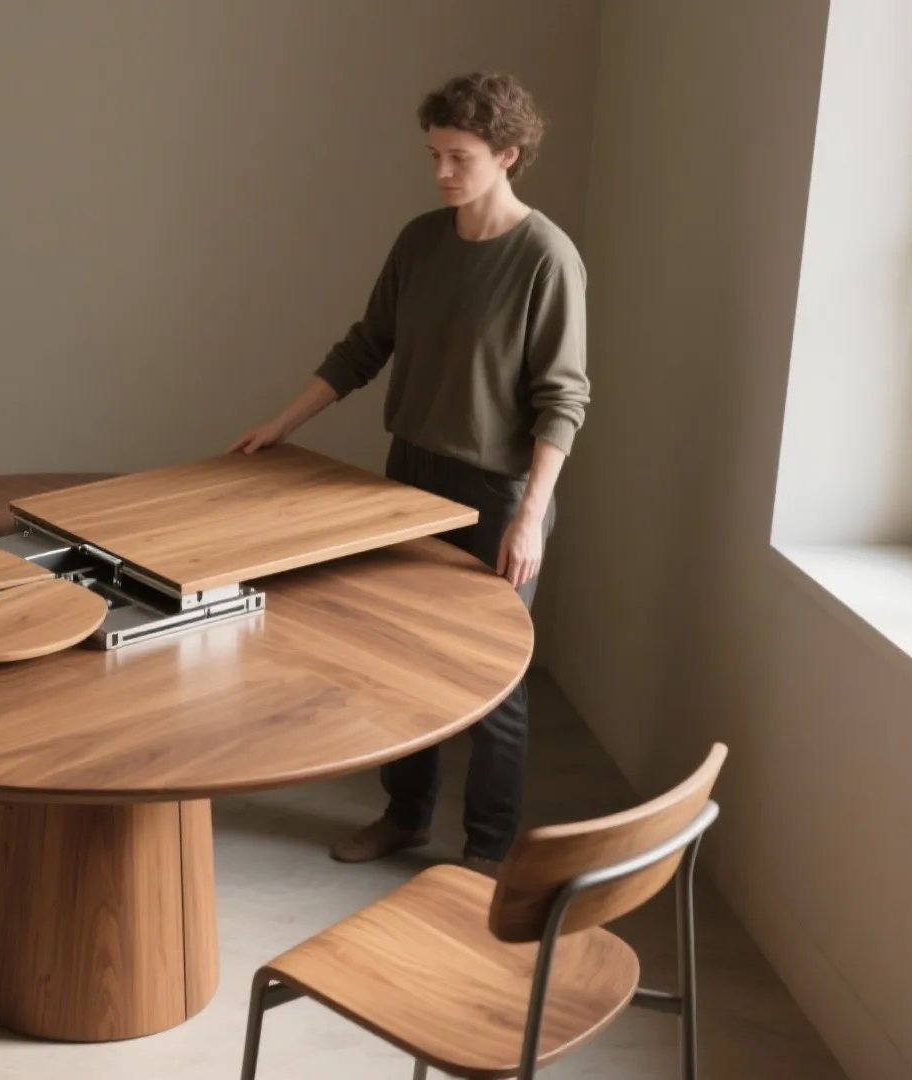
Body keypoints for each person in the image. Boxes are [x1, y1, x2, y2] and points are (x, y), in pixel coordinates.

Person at [228, 71, 589, 874]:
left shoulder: (547, 259)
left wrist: (532, 516)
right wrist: (280, 426)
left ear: (508, 153)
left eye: (458, 157)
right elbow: (366, 345)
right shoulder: (421, 241)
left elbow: (562, 401)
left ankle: (488, 855)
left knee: (491, 685)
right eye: (433, 155)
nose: (441, 173)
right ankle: (406, 816)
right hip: (410, 479)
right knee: (400, 662)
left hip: (499, 493)